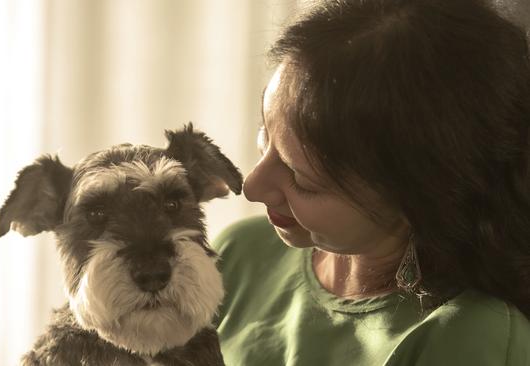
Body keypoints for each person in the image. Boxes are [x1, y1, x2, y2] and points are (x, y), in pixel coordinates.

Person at [211, 0, 530, 365]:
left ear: (419, 197)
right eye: (264, 136)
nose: (251, 187)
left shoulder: (470, 337)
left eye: (302, 180)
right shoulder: (240, 254)